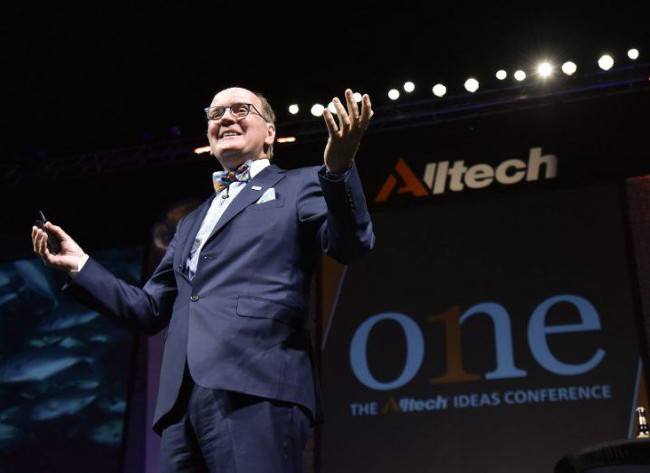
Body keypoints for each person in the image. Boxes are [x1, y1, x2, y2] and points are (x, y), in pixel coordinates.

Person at [31, 86, 375, 472]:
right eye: (215, 114)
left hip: (256, 385)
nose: (225, 118)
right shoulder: (192, 220)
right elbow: (147, 310)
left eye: (240, 109)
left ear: (271, 133)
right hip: (182, 406)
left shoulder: (300, 184)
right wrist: (81, 263)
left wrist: (340, 170)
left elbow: (351, 246)